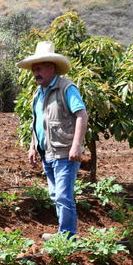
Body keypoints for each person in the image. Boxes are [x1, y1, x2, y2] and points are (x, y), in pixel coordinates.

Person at [16, 41, 88, 240]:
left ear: (51, 67)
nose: (35, 73)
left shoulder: (66, 88)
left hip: (65, 151)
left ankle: (67, 236)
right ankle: (62, 234)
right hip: (46, 152)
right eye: (34, 69)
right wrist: (32, 147)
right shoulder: (37, 94)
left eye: (39, 68)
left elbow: (82, 115)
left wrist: (76, 145)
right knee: (55, 195)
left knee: (64, 196)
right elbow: (37, 122)